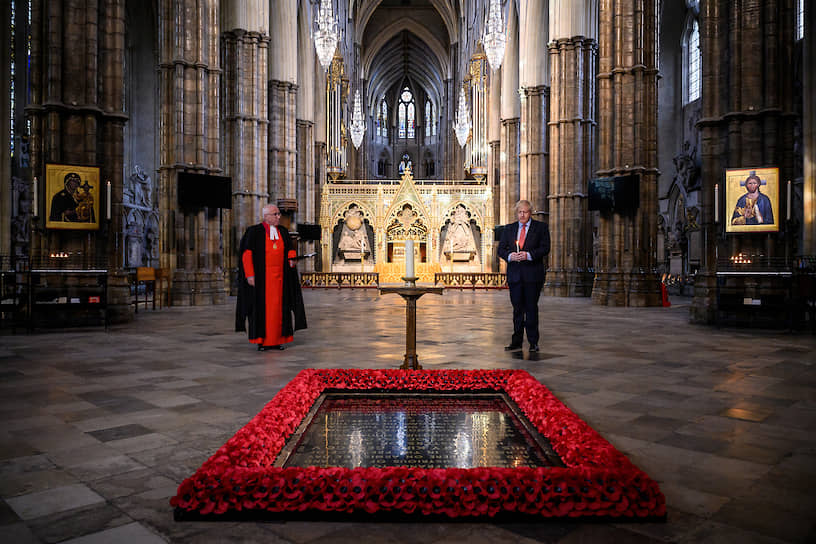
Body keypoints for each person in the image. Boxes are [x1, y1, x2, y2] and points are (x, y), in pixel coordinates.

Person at [235, 204, 307, 351]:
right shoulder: (254, 232)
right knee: (262, 310)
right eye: (275, 214)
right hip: (262, 280)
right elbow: (247, 255)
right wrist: (250, 275)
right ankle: (262, 341)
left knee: (281, 310)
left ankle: (278, 340)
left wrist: (292, 259)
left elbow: (289, 250)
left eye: (278, 214)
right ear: (266, 216)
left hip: (281, 280)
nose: (278, 217)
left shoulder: (283, 231)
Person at [498, 200, 550, 352]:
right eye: (520, 212)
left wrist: (528, 255)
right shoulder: (509, 228)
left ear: (530, 213)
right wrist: (510, 256)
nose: (522, 214)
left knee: (531, 308)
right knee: (517, 309)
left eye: (525, 212)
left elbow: (545, 248)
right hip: (515, 275)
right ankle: (517, 341)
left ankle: (533, 342)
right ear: (517, 213)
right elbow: (501, 249)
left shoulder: (540, 228)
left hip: (532, 275)